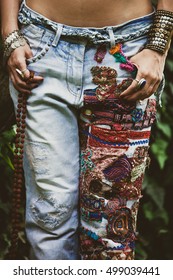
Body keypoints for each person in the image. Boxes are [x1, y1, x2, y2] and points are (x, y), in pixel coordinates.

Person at [0, 0, 173, 260]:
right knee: (50, 218)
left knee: (111, 229)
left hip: (125, 55)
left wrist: (158, 46)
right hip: (41, 50)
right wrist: (10, 33)